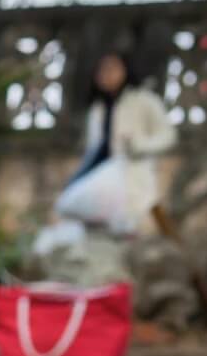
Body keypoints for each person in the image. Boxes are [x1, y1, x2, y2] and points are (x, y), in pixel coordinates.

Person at [53, 51, 176, 234]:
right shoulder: (97, 109)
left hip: (132, 173)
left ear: (125, 70)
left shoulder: (143, 100)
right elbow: (93, 150)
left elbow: (168, 135)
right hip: (102, 175)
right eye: (101, 71)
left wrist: (140, 146)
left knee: (134, 221)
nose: (107, 75)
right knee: (68, 205)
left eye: (112, 68)